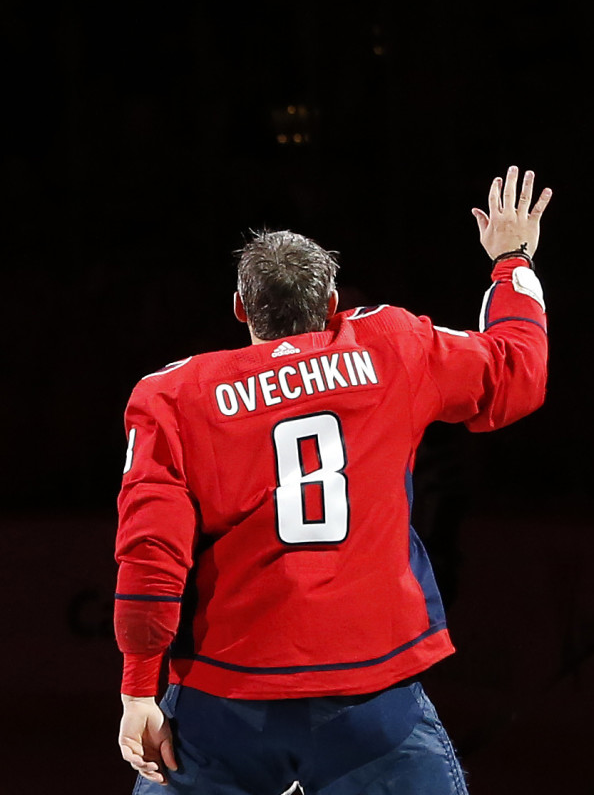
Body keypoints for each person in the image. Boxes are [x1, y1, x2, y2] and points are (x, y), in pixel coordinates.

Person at [115, 167, 554, 792]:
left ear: (241, 308)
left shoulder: (172, 395)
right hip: (371, 694)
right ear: (330, 305)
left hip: (226, 697)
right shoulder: (392, 346)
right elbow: (518, 373)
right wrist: (512, 260)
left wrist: (138, 689)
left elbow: (149, 555)